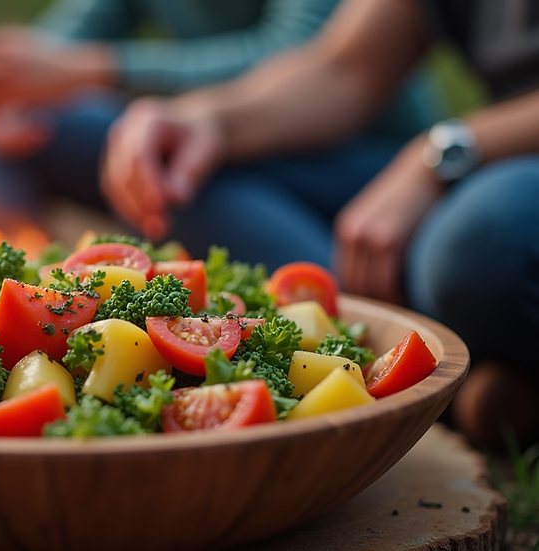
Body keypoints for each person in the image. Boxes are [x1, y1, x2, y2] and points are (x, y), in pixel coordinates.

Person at [100, 0, 539, 448]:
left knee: (477, 243)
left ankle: (453, 356)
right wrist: (208, 119)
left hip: (496, 182)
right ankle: (457, 358)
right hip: (476, 174)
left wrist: (438, 158)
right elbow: (344, 67)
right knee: (179, 178)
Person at [0, 0, 439, 229]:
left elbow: (303, 56)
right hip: (211, 138)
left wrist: (96, 68)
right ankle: (3, 309)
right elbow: (71, 34)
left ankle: (353, 306)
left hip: (354, 161)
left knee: (171, 176)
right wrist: (9, 84)